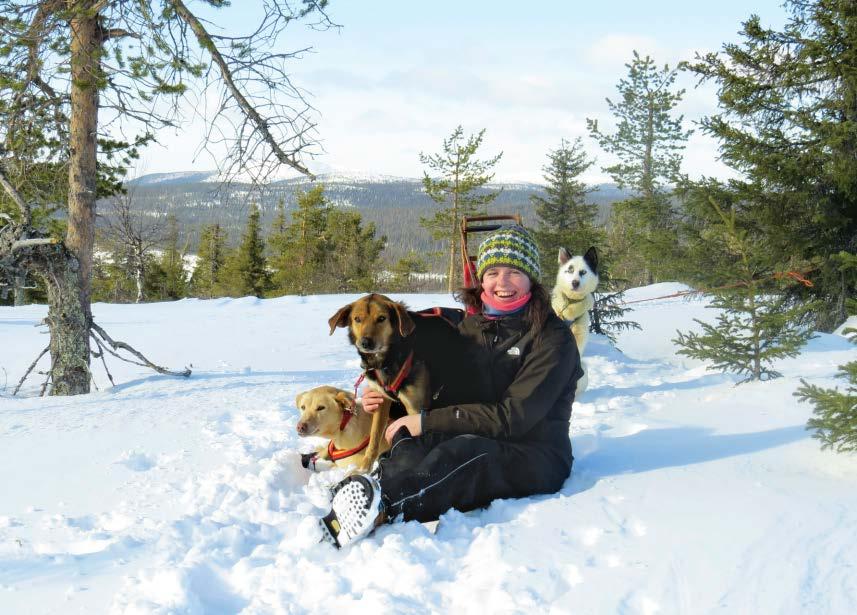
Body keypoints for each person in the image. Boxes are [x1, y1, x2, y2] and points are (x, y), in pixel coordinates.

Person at [319, 225, 583, 548]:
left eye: (514, 272)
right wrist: (391, 402)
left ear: (532, 278)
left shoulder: (552, 339)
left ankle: (384, 505)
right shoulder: (471, 327)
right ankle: (371, 485)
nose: (502, 282)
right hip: (477, 430)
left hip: (535, 452)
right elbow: (439, 393)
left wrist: (426, 421)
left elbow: (513, 418)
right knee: (414, 440)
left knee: (465, 453)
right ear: (481, 278)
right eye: (494, 272)